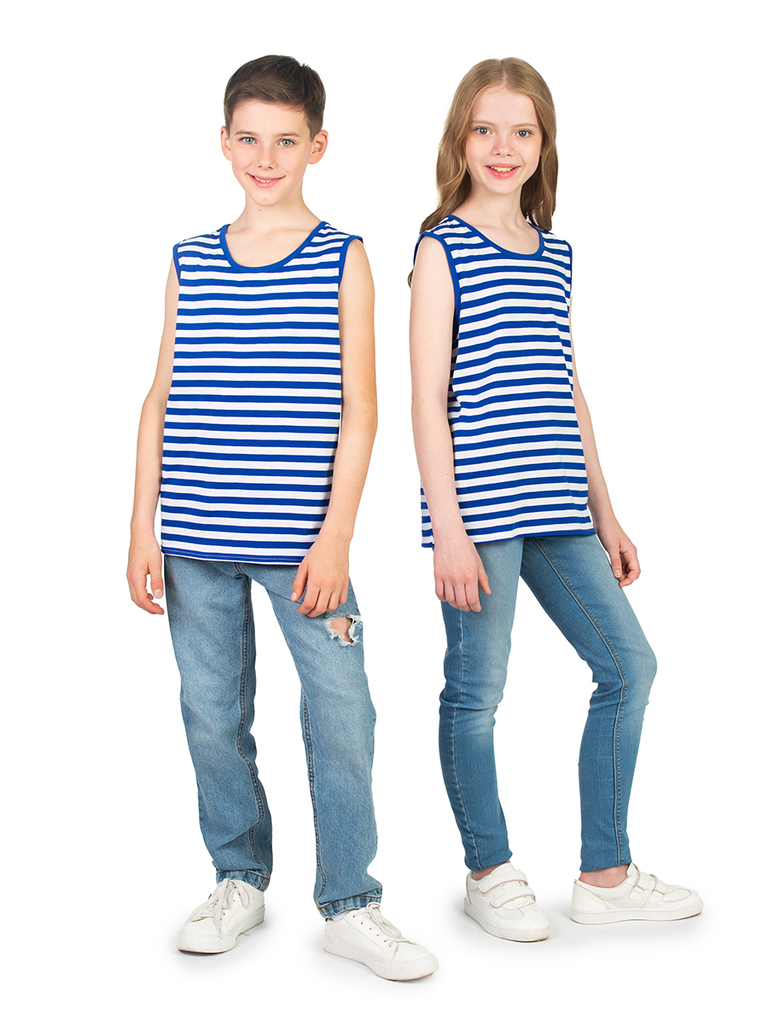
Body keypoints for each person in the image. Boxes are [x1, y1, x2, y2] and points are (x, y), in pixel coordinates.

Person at [127, 54, 437, 981]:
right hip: (194, 538)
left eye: (286, 142)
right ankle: (238, 879)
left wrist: (336, 537)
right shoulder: (189, 258)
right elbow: (161, 395)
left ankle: (351, 901)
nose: (266, 160)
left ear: (318, 146)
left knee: (343, 713)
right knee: (211, 714)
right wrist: (141, 526)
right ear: (224, 143)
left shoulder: (343, 256)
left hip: (304, 547)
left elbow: (361, 410)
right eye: (250, 140)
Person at [409, 57, 702, 941]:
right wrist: (448, 530)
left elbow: (565, 388)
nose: (503, 148)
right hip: (481, 513)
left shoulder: (556, 254)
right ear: (461, 139)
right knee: (478, 691)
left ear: (544, 144)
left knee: (629, 666)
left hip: (559, 505)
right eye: (486, 129)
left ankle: (604, 874)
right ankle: (489, 870)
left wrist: (606, 513)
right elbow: (428, 398)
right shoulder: (441, 248)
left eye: (522, 131)